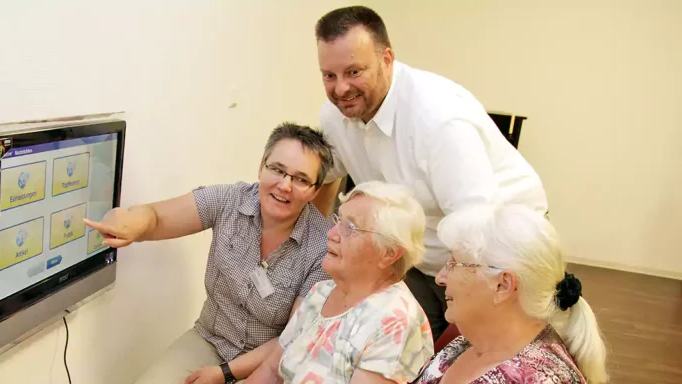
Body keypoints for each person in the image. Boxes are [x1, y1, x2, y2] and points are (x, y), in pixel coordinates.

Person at [309, 6, 549, 342]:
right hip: (421, 253)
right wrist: (316, 243)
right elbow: (323, 175)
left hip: (497, 253)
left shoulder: (440, 121)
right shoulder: (335, 115)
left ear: (387, 58)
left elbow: (478, 230)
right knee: (400, 346)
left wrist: (460, 321)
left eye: (354, 71)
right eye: (329, 76)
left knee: (468, 356)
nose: (341, 88)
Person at [84, 123, 335, 383]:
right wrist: (130, 224)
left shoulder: (322, 248)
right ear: (262, 167)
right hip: (210, 341)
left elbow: (293, 339)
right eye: (277, 170)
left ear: (315, 190)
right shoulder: (229, 200)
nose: (285, 185)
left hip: (271, 362)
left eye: (301, 179)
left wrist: (224, 373)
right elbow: (156, 217)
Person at [249, 181, 434, 384]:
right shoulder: (322, 291)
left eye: (350, 227)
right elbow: (272, 370)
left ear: (388, 253)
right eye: (338, 221)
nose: (331, 234)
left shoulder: (395, 321)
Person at [413, 204, 608, 383]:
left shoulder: (539, 378)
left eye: (454, 264)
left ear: (502, 285)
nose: (440, 278)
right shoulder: (471, 342)